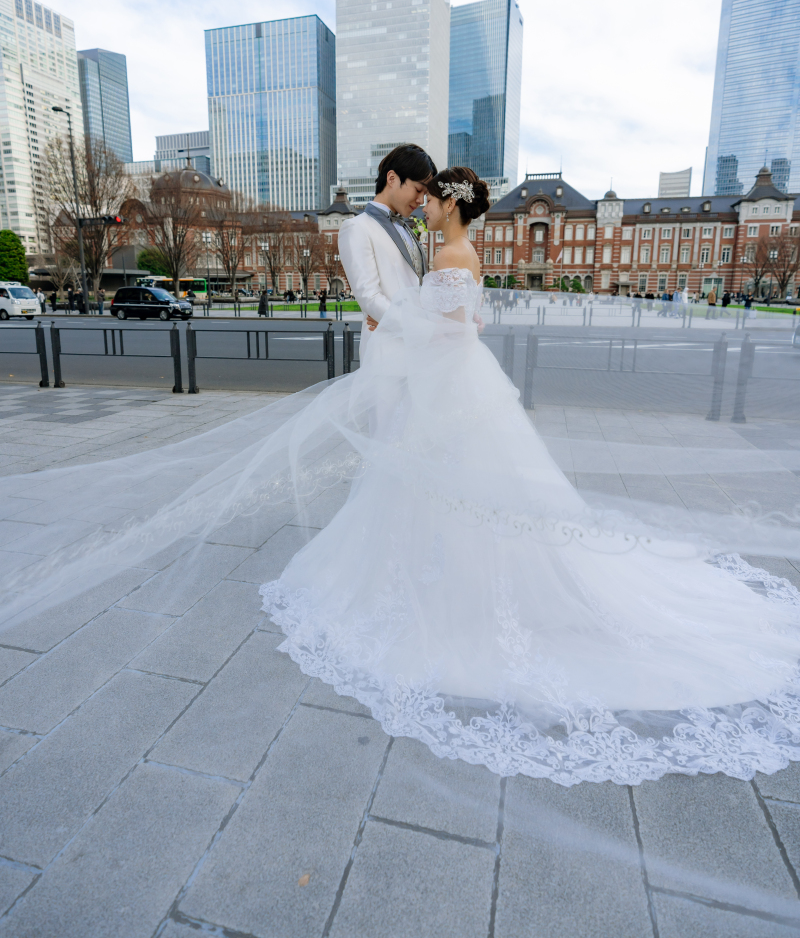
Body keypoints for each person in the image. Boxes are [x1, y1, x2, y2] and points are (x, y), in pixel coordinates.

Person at [6, 164, 800, 790]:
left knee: (452, 488)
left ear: (448, 206)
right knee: (454, 491)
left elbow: (450, 321)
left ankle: (458, 586)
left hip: (449, 382)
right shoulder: (456, 250)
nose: (422, 208)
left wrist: (401, 330)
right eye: (419, 197)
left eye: (431, 200)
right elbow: (468, 319)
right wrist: (415, 326)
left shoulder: (451, 253)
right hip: (456, 379)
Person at [338, 143, 434, 359]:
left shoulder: (406, 227)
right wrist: (421, 329)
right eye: (419, 190)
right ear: (392, 178)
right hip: (386, 354)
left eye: (425, 195)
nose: (421, 201)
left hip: (418, 353)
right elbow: (369, 297)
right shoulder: (356, 227)